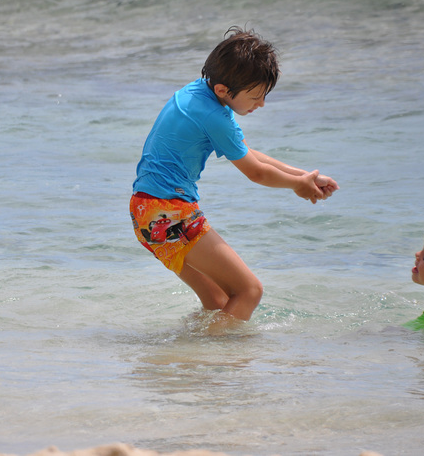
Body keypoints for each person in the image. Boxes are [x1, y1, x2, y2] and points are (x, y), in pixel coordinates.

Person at [130, 26, 339, 322]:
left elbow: (247, 152)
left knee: (219, 302)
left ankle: (193, 358)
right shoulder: (214, 116)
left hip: (146, 212)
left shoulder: (198, 93)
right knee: (249, 291)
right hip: (169, 212)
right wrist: (296, 186)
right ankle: (215, 359)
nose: (261, 104)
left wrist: (304, 176)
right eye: (255, 96)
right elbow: (256, 173)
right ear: (223, 90)